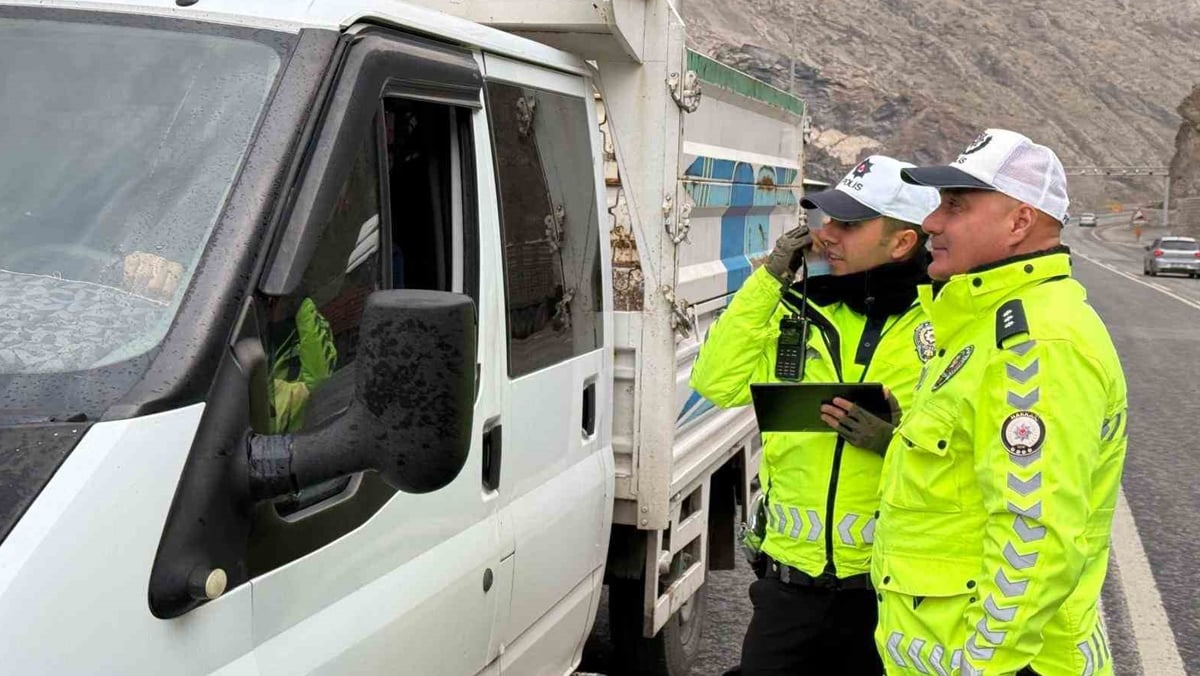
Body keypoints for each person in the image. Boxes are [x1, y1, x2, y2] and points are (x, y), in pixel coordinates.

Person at [865, 129, 1127, 676]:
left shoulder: (1037, 342)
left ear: (1019, 222)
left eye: (955, 206)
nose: (932, 223)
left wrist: (983, 667)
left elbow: (1033, 533)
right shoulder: (978, 324)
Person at [692, 155, 940, 675]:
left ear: (901, 243)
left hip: (890, 595)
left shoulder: (944, 325)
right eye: (827, 220)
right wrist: (768, 281)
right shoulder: (796, 309)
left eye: (848, 224)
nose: (826, 235)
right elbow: (716, 382)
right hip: (789, 593)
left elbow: (970, 456)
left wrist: (895, 442)